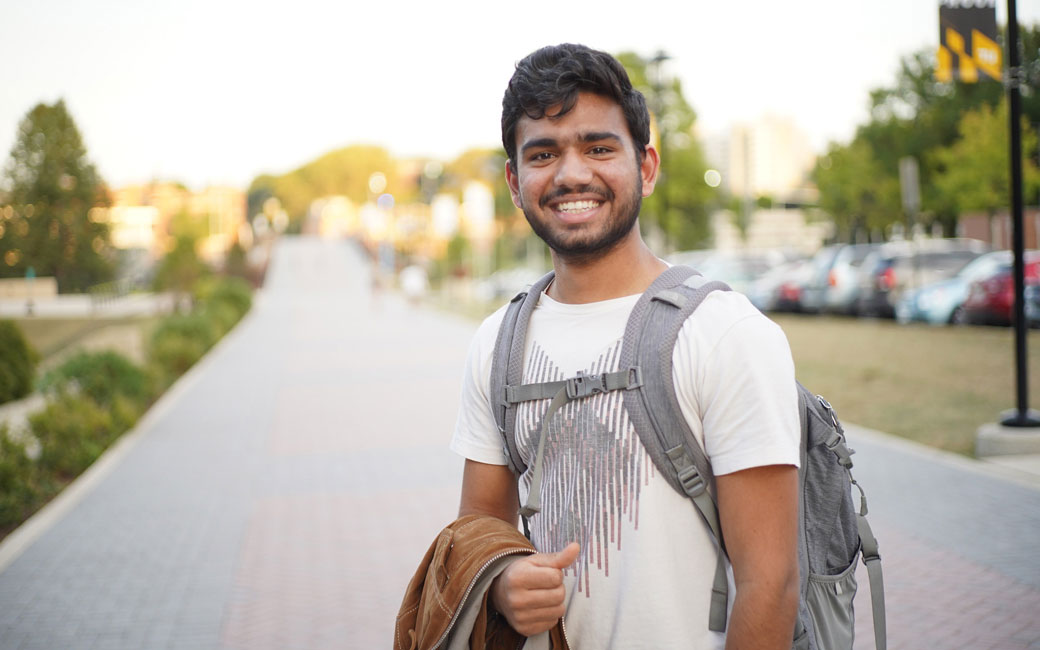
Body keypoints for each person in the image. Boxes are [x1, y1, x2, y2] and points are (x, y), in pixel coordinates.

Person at [450, 43, 801, 649]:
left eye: (598, 147)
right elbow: (477, 536)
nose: (571, 174)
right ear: (514, 181)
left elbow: (771, 584)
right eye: (543, 153)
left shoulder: (725, 334)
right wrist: (503, 583)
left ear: (646, 165)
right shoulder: (497, 342)